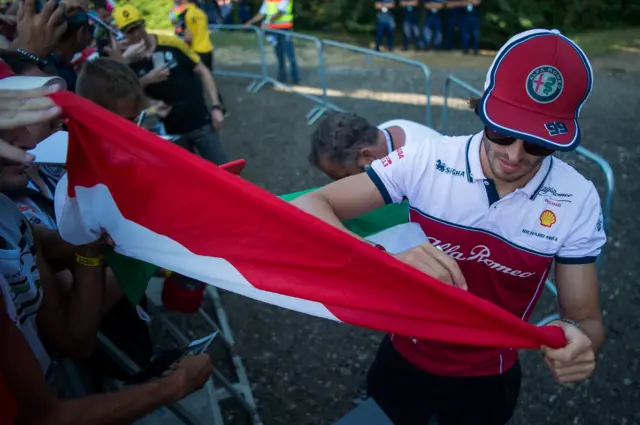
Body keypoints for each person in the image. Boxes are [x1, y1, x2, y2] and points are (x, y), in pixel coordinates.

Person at [292, 29, 605, 425]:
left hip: (488, 376)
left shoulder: (577, 198)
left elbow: (586, 319)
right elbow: (310, 205)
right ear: (484, 107)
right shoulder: (427, 158)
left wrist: (581, 344)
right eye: (502, 131)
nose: (513, 155)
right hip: (404, 355)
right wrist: (386, 259)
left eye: (539, 144)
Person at [0, 64, 214, 425]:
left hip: (59, 378)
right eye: (10, 120)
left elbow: (72, 332)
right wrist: (173, 385)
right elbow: (42, 416)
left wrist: (111, 238)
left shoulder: (7, 213)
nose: (30, 139)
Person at [113, 4, 228, 165]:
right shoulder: (128, 60)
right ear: (122, 34)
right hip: (168, 132)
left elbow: (202, 70)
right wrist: (147, 79)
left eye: (137, 27)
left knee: (225, 171)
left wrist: (216, 107)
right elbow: (124, 95)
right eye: (129, 31)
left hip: (199, 121)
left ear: (144, 24)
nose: (136, 34)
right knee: (188, 180)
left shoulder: (170, 43)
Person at [309, 112, 441, 181]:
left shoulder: (419, 167)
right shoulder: (384, 132)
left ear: (367, 156)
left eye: (345, 177)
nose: (340, 185)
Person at [173, 0, 227, 114]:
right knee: (209, 79)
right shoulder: (201, 13)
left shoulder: (185, 14)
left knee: (195, 82)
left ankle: (199, 109)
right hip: (207, 49)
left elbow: (188, 37)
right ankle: (220, 106)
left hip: (195, 51)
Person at [244, 0, 299, 84]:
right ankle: (282, 76)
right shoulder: (268, 1)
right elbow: (261, 13)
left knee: (289, 53)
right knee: (279, 53)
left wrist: (267, 22)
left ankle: (295, 77)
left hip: (285, 28)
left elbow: (280, 12)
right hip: (273, 29)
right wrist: (249, 23)